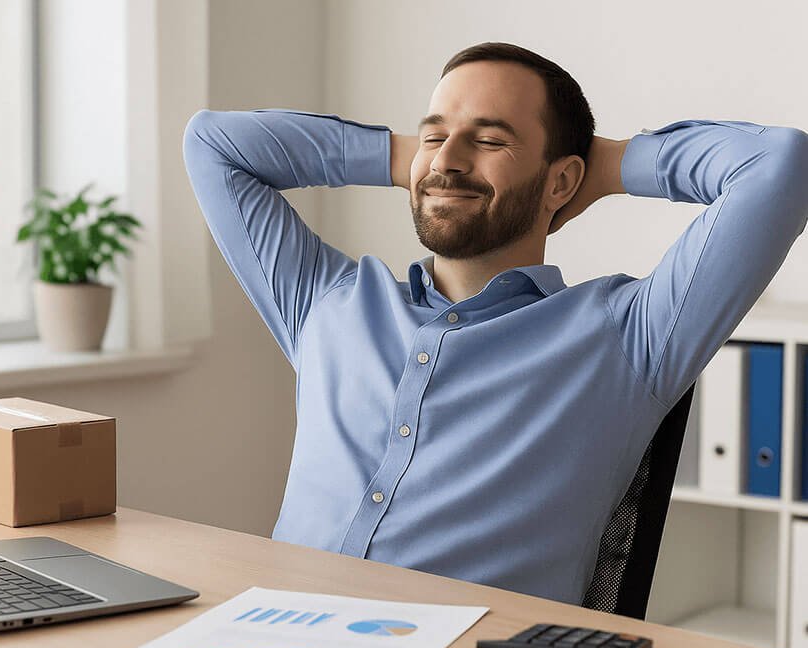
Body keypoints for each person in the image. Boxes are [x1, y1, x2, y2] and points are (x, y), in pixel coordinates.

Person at [182, 42, 808, 605]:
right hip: (269, 645)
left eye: (489, 140)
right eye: (435, 135)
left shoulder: (627, 337)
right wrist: (421, 157)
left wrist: (604, 165)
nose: (449, 161)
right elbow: (212, 144)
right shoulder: (329, 302)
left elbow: (779, 164)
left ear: (561, 178)